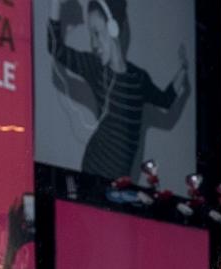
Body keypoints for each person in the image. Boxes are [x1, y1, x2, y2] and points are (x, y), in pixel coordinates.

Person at [45, 1, 189, 181]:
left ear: (114, 29)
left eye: (97, 33)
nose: (94, 43)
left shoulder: (139, 78)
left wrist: (184, 69)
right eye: (91, 36)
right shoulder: (95, 69)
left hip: (121, 179)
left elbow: (166, 100)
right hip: (93, 171)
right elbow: (54, 46)